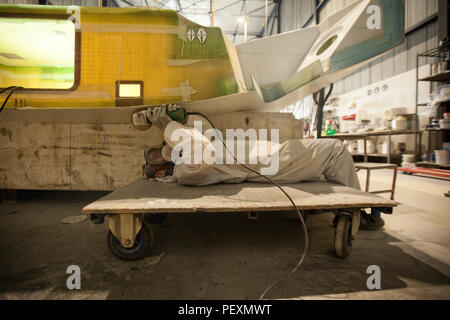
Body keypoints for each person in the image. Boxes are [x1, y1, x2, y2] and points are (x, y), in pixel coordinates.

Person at [140, 105, 385, 231]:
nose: (162, 148)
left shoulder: (186, 158)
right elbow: (202, 149)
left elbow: (198, 140)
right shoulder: (185, 172)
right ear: (161, 171)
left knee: (327, 157)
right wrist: (168, 126)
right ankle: (354, 215)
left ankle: (345, 206)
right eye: (155, 155)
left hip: (269, 155)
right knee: (335, 149)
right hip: (270, 162)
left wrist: (175, 123)